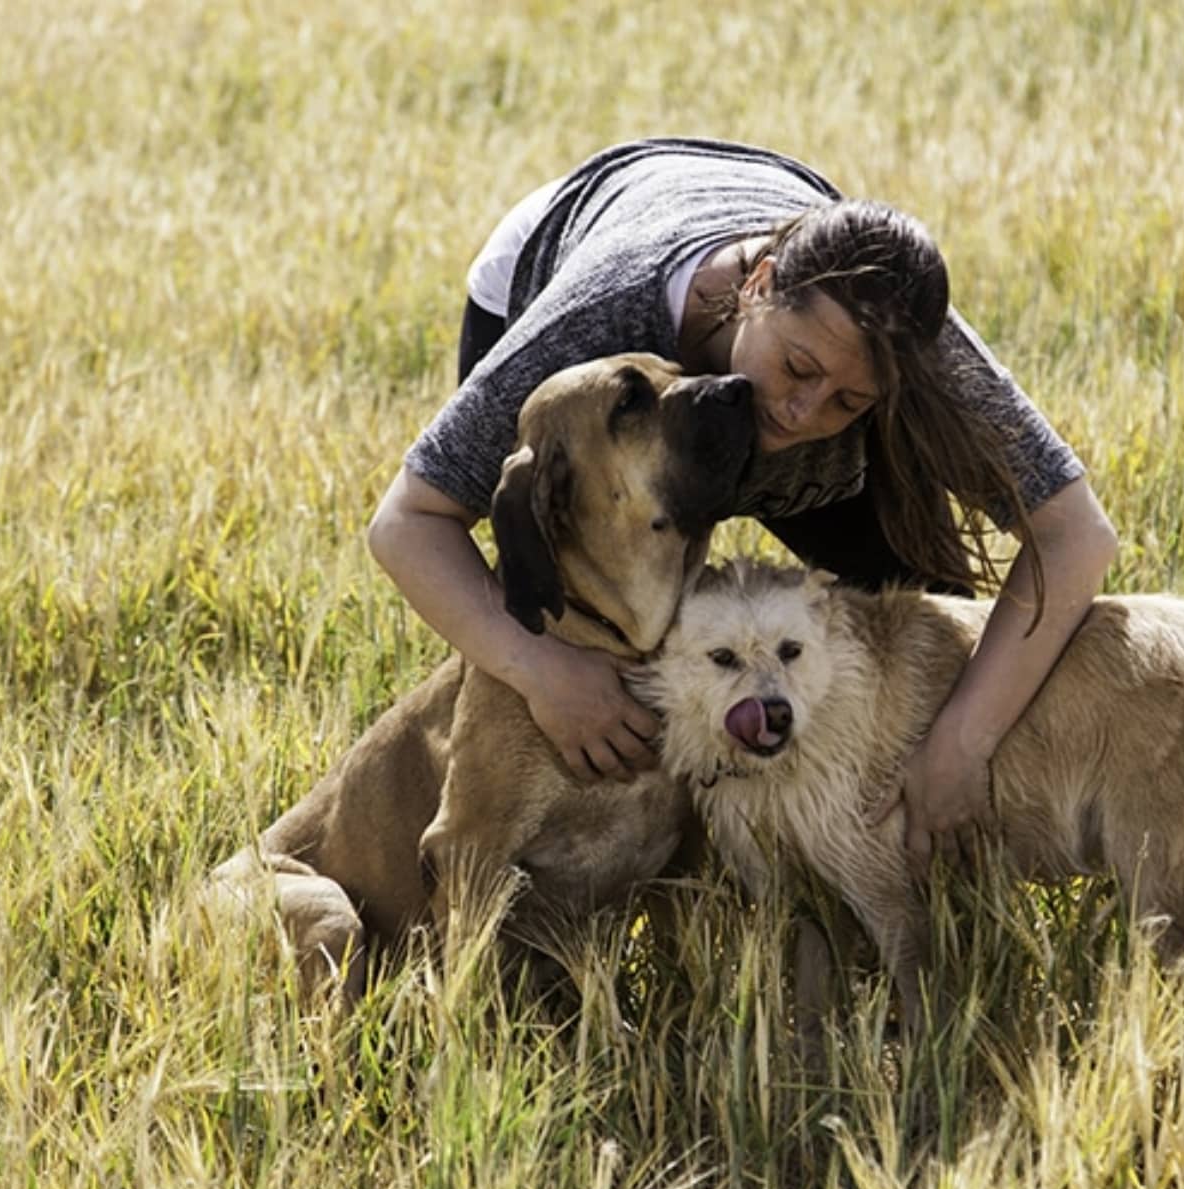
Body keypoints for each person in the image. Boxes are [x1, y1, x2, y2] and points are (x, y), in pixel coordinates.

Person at [368, 138, 1118, 867]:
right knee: (551, 633)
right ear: (757, 287)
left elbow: (1076, 535)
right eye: (797, 367)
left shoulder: (899, 339)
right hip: (588, 232)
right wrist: (538, 671)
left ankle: (862, 856)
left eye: (849, 400)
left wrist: (961, 742)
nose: (799, 412)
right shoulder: (592, 332)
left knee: (927, 647)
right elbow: (409, 523)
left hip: (774, 219)